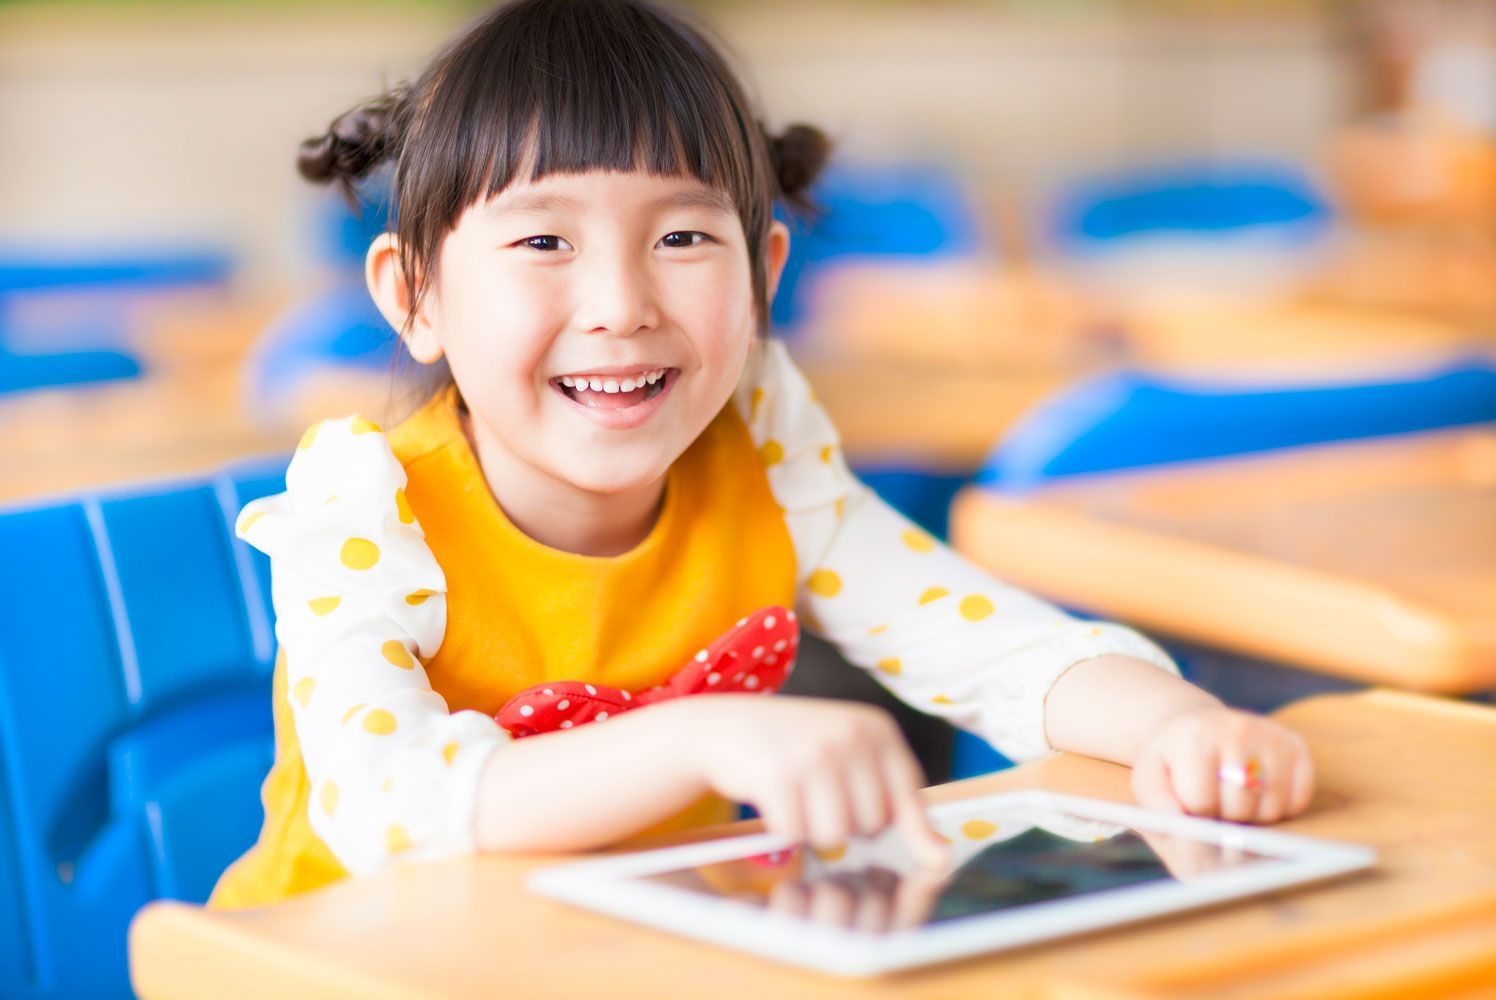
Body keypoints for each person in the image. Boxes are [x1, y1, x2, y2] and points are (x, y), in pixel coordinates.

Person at [208, 0, 1314, 911]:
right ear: (415, 297)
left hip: (631, 951)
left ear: (764, 271)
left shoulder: (766, 457)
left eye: (683, 237)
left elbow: (983, 645)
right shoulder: (366, 509)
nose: (619, 306)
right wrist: (702, 739)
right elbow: (388, 805)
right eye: (543, 240)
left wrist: (1177, 726)